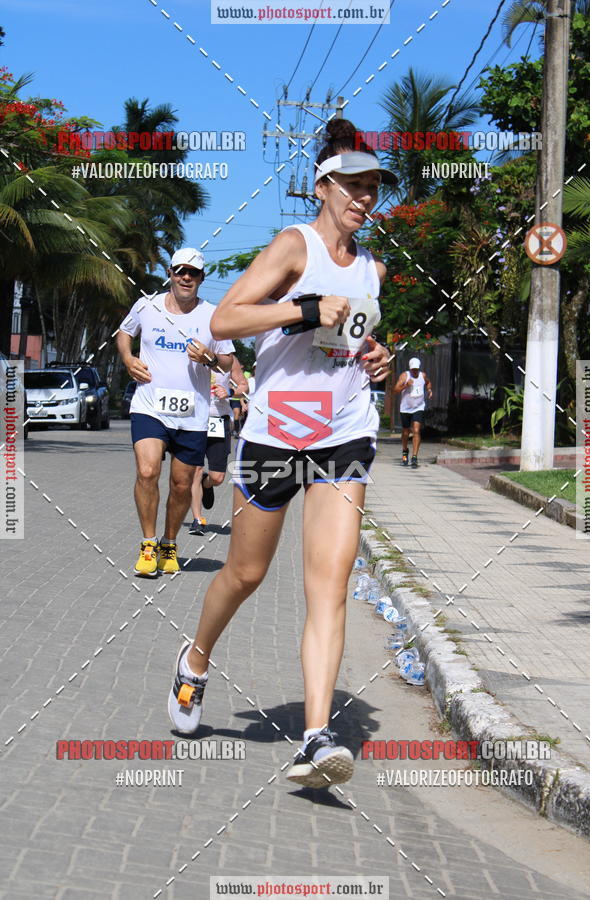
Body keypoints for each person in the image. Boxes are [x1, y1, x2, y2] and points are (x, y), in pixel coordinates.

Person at [167, 119, 394, 789]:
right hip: (276, 434)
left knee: (330, 582)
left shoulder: (371, 269)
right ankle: (195, 659)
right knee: (245, 572)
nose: (364, 197)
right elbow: (224, 319)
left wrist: (375, 358)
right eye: (353, 184)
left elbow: (350, 341)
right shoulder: (295, 247)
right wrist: (302, 310)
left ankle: (316, 735)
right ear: (322, 185)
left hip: (344, 434)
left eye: (374, 186)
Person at [116, 248, 234, 577]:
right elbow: (124, 334)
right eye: (180, 271)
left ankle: (170, 543)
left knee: (182, 485)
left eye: (192, 273)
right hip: (149, 406)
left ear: (201, 279)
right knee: (148, 471)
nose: (185, 277)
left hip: (193, 414)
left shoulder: (213, 316)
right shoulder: (147, 306)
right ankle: (148, 544)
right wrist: (128, 359)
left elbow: (227, 361)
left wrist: (210, 356)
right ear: (170, 273)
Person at [189, 359, 248, 534]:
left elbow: (244, 385)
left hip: (219, 419)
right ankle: (197, 519)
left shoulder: (229, 358)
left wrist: (230, 391)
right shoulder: (190, 354)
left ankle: (205, 485)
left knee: (217, 477)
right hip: (193, 418)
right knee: (196, 469)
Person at [393, 357, 433, 468]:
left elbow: (428, 383)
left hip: (418, 407)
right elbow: (395, 390)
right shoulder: (405, 376)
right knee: (406, 432)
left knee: (416, 430)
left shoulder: (422, 376)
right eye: (412, 369)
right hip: (405, 408)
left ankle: (414, 457)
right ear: (410, 368)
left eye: (416, 369)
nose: (414, 371)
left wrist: (429, 390)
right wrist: (406, 385)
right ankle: (405, 451)